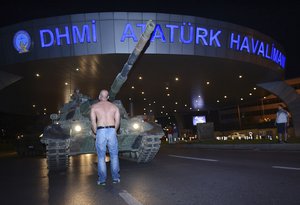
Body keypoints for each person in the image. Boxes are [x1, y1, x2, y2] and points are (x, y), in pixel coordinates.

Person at [90, 89, 121, 186]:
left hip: (100, 130)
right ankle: (115, 178)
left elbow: (93, 122)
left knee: (101, 157)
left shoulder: (94, 107)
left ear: (99, 96)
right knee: (114, 156)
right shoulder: (115, 107)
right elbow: (118, 122)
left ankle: (102, 180)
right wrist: (113, 131)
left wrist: (96, 132)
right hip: (112, 130)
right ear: (108, 97)